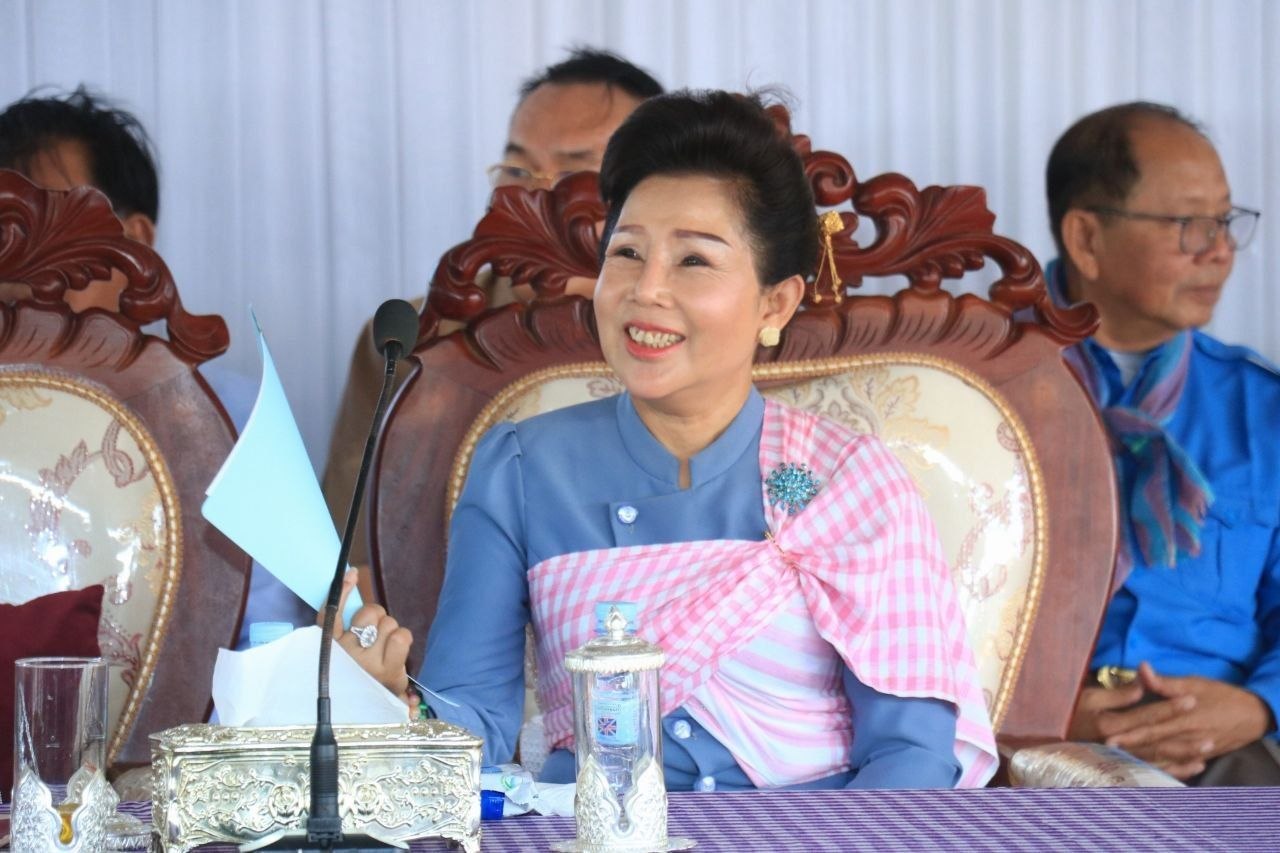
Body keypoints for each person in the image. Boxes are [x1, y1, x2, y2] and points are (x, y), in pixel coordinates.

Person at [333, 90, 996, 791]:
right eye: (627, 253)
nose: (645, 290)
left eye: (693, 261)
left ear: (775, 303)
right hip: (591, 832)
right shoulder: (521, 468)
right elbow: (476, 730)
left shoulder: (850, 479)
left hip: (814, 834)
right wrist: (396, 702)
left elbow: (910, 755)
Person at [320, 48, 662, 573]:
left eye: (577, 172)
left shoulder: (685, 331)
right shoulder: (410, 339)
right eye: (517, 168)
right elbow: (347, 552)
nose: (535, 196)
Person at [0, 86, 312, 645]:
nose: (22, 271)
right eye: (6, 231)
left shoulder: (231, 417)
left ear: (134, 242)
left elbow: (269, 639)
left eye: (48, 224)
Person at [1045, 102, 1279, 784]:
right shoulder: (977, 390)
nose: (1220, 250)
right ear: (1087, 239)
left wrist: (1257, 706)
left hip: (1222, 747)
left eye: (1225, 222)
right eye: (1189, 225)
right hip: (1029, 735)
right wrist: (1038, 710)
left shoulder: (1262, 409)